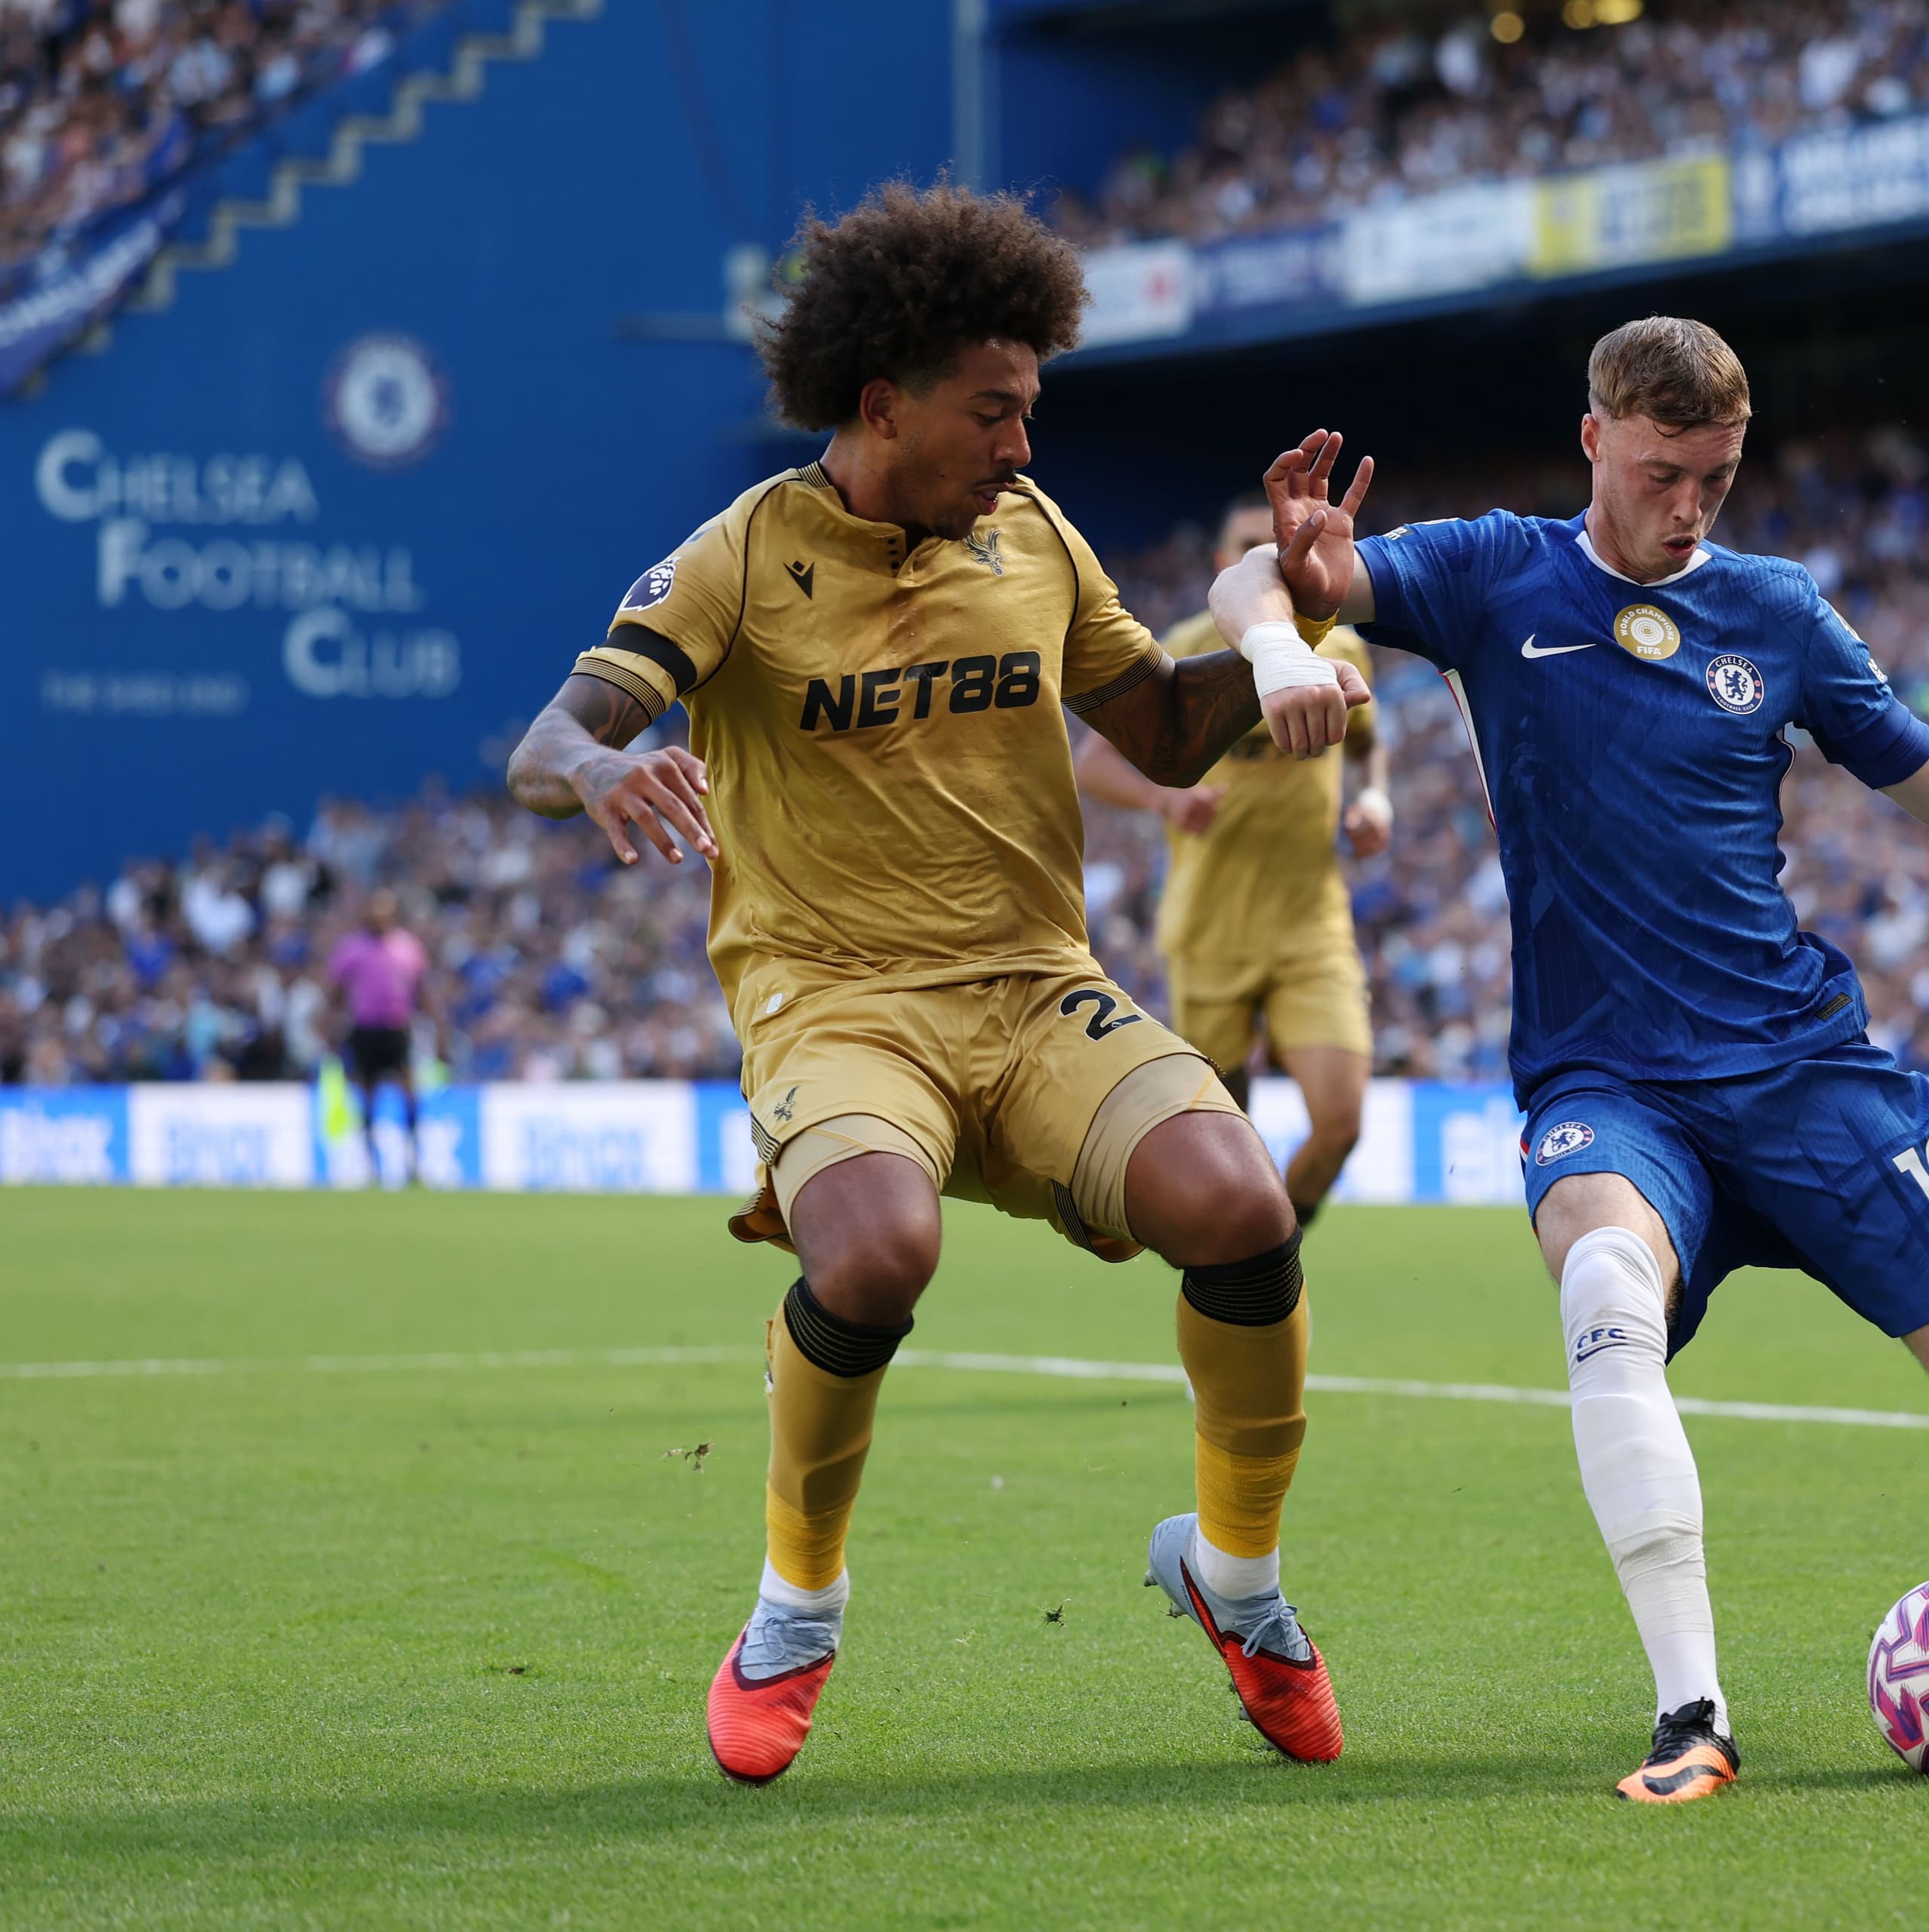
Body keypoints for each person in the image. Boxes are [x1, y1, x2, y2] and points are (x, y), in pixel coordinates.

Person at [1209, 316, 1929, 1803]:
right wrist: (1286, 629)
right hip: (1605, 1082)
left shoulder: (1779, 615)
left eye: (1717, 481)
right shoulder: (1490, 574)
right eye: (1666, 472)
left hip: (1801, 1072)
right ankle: (1691, 1715)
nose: (1690, 508)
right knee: (1605, 1296)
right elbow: (1254, 576)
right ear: (1598, 434)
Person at [504, 180, 1370, 1785]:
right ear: (885, 401)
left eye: (1031, 410)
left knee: (1242, 1204)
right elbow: (551, 738)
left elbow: (1165, 733)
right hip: (836, 1001)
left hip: (1035, 988)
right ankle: (795, 1608)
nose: (1024, 446)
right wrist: (597, 772)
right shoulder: (745, 555)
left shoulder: (1031, 538)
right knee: (880, 1249)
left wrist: (1297, 614)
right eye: (997, 412)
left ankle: (1236, 1585)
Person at [1075, 499, 1392, 1226]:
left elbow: (1372, 742)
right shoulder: (1181, 653)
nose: (1268, 559)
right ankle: (1251, 1267)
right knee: (1226, 1144)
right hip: (1210, 927)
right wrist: (1164, 804)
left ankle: (1276, 1245)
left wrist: (1377, 802)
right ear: (1225, 565)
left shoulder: (1339, 649)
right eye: (1250, 547)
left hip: (1311, 927)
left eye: (1277, 545)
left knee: (1341, 1124)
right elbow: (1093, 761)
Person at [327, 889, 427, 1184]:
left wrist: (439, 1030)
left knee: (410, 1096)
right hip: (366, 1031)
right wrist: (331, 1031)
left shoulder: (408, 947)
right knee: (367, 1100)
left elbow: (422, 991)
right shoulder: (352, 949)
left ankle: (413, 1164)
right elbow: (337, 994)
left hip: (397, 1029)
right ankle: (371, 1166)